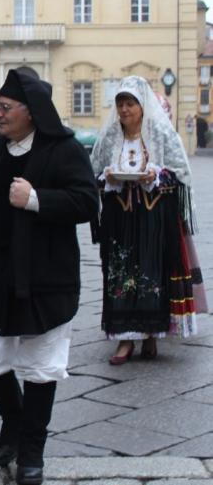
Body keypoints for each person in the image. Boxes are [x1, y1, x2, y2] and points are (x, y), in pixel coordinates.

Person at [0, 70, 98, 485]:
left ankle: (32, 450)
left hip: (43, 274)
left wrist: (36, 200)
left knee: (40, 362)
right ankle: (13, 423)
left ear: (31, 112)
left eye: (5, 108)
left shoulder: (64, 149)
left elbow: (86, 201)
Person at [90, 75, 204, 365]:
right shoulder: (110, 137)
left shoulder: (161, 135)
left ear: (142, 106)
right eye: (120, 104)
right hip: (120, 219)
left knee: (151, 274)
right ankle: (124, 339)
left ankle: (151, 333)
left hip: (153, 216)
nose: (124, 110)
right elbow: (95, 174)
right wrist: (108, 177)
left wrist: (156, 175)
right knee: (120, 275)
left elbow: (181, 174)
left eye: (130, 104)